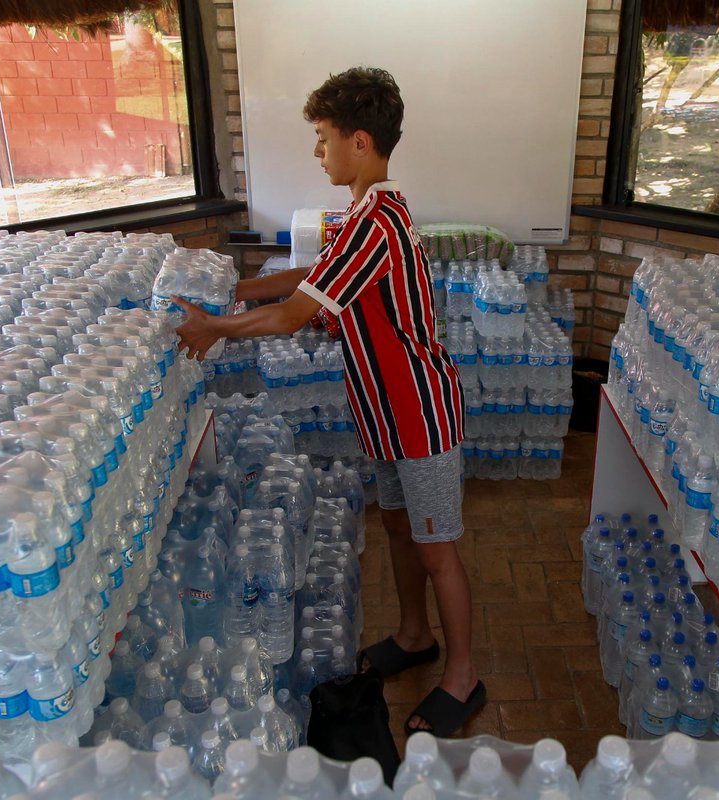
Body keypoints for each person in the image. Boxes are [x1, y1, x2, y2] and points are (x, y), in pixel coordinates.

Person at [173, 66, 484, 737]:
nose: (317, 152)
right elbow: (314, 276)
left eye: (323, 138)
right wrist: (236, 292)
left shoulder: (380, 223)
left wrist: (215, 329)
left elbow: (294, 316)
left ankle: (463, 675)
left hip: (421, 415)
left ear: (361, 142)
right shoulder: (364, 215)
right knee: (400, 529)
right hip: (384, 410)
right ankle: (412, 634)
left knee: (437, 549)